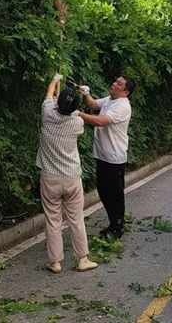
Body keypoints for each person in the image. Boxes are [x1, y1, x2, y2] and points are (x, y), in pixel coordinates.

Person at [36, 73, 98, 274]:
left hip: (50, 177)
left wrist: (55, 79)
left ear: (57, 103)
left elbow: (49, 94)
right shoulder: (77, 123)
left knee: (53, 220)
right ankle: (82, 259)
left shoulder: (47, 114)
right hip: (71, 176)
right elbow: (73, 111)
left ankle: (55, 262)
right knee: (76, 218)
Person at [77, 76, 136, 239]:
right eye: (115, 81)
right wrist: (85, 93)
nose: (114, 84)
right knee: (104, 192)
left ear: (125, 92)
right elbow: (92, 104)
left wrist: (78, 114)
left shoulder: (122, 106)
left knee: (114, 195)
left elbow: (101, 121)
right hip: (103, 156)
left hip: (114, 158)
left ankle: (117, 226)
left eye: (119, 84)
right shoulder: (110, 100)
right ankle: (113, 224)